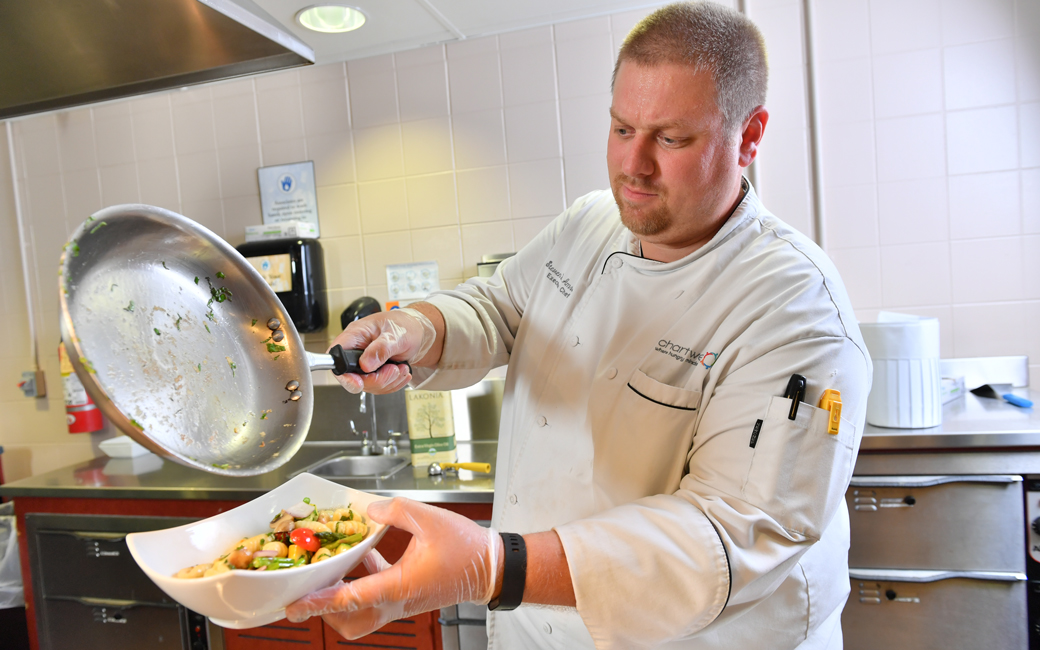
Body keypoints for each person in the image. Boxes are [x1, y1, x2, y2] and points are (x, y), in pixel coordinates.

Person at [286, 2, 871, 648]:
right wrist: (417, 328)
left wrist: (493, 565)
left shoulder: (796, 310)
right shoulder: (591, 224)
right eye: (622, 129)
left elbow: (729, 535)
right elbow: (499, 306)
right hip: (533, 630)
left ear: (751, 135)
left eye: (671, 139)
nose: (634, 166)